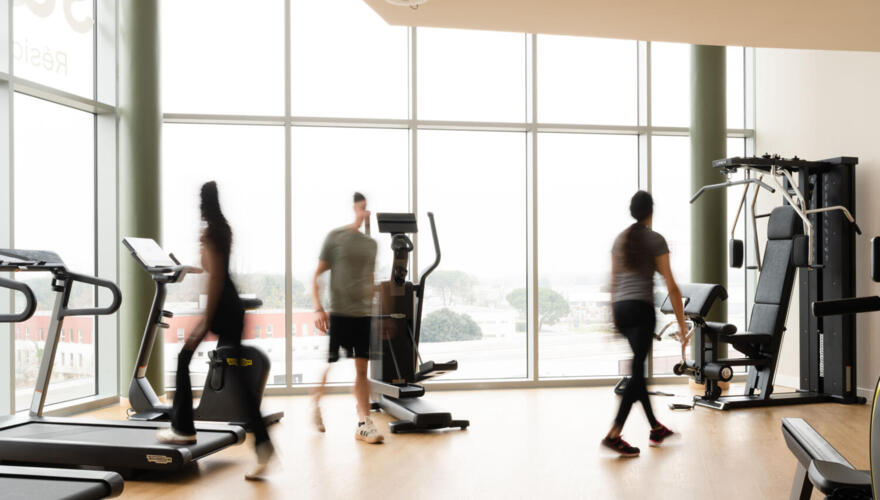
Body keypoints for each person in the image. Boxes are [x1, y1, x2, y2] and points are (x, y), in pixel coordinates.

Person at [157, 181, 276, 479]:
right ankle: (263, 445)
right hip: (230, 304)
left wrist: (204, 321)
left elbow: (215, 278)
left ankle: (183, 429)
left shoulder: (211, 233)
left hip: (222, 304)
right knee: (237, 383)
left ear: (203, 204)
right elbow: (213, 270)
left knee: (184, 359)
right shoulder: (223, 229)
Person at [602, 190, 688, 457]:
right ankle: (614, 434)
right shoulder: (655, 240)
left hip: (622, 310)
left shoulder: (620, 239)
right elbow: (671, 286)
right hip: (641, 311)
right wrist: (682, 324)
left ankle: (655, 427)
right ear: (651, 211)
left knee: (640, 373)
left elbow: (614, 282)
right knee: (638, 374)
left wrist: (611, 318)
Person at [311, 192, 383, 444]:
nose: (365, 212)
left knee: (362, 370)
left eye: (368, 208)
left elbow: (370, 279)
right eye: (361, 208)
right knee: (331, 363)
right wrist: (318, 309)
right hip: (340, 312)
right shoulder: (335, 238)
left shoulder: (371, 245)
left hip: (363, 314)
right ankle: (316, 402)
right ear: (354, 208)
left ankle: (364, 422)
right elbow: (317, 275)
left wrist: (378, 313)